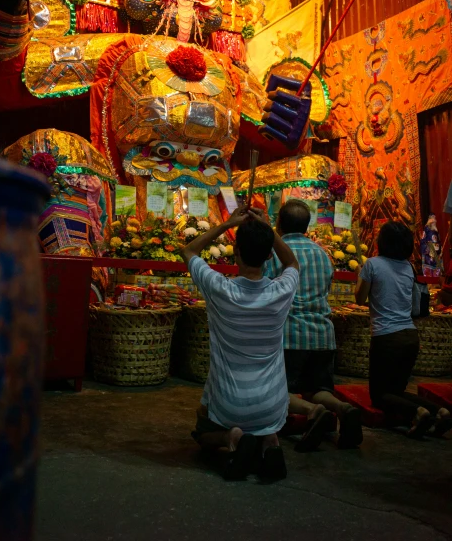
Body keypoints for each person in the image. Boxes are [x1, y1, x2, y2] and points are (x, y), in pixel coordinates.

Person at [182, 206, 299, 481]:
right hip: (272, 404)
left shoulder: (220, 289)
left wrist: (227, 224)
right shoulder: (281, 290)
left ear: (236, 252)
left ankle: (231, 437)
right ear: (269, 255)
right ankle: (269, 441)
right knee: (264, 423)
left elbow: (189, 251)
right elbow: (292, 264)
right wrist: (268, 229)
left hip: (229, 404)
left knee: (201, 431)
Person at [265, 199, 363, 451]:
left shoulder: (274, 252)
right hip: (322, 335)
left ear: (278, 223)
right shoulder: (323, 254)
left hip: (289, 336)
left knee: (274, 391)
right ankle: (341, 408)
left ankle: (312, 411)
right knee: (317, 387)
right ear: (307, 226)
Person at [355, 220, 452, 438]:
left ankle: (419, 411)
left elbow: (360, 299)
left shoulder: (372, 264)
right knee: (397, 391)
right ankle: (440, 411)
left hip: (386, 337)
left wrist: (359, 276)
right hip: (410, 336)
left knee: (379, 396)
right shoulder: (408, 267)